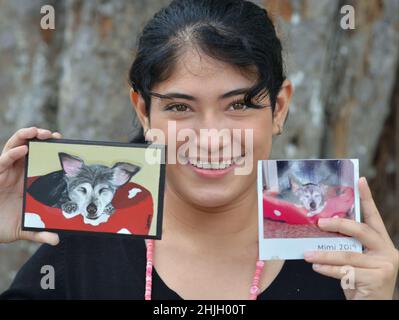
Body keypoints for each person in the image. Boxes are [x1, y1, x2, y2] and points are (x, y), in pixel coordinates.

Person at [0, 0, 397, 300]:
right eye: (179, 107)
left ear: (279, 108)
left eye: (239, 104)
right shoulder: (81, 249)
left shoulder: (337, 264)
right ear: (144, 110)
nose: (211, 138)